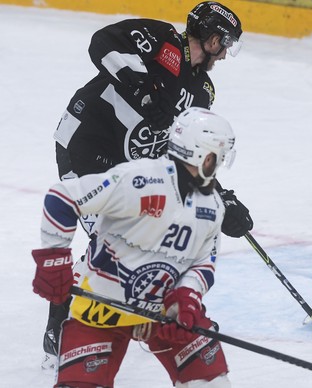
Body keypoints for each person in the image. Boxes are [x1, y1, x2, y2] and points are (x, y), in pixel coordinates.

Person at [43, 1, 254, 368]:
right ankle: (58, 330)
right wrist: (141, 88)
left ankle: (147, 315)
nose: (223, 53)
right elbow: (102, 42)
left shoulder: (202, 91)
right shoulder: (161, 41)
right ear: (206, 32)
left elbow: (190, 153)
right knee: (112, 244)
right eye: (222, 41)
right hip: (85, 148)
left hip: (127, 167)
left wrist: (223, 200)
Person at [32, 107, 236, 387]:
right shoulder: (139, 181)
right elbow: (63, 199)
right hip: (100, 308)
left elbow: (202, 262)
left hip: (162, 313)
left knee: (211, 383)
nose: (220, 164)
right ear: (201, 155)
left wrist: (186, 297)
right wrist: (54, 260)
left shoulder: (212, 206)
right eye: (218, 157)